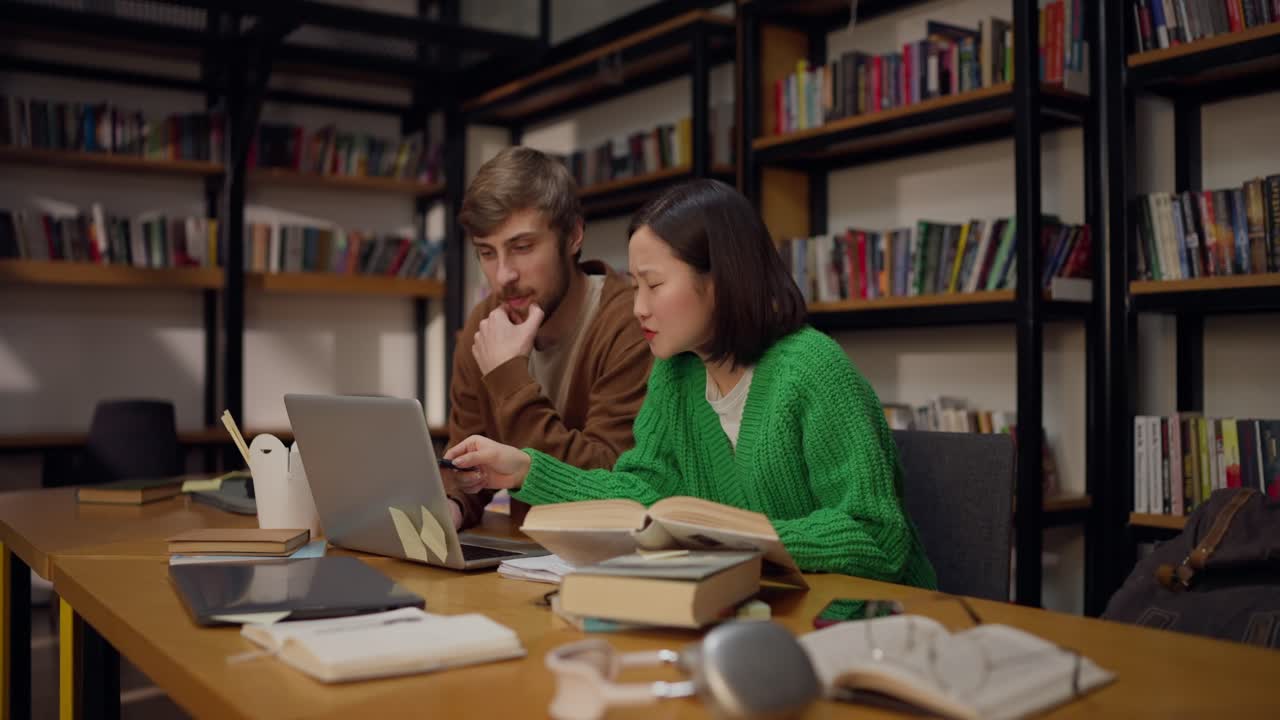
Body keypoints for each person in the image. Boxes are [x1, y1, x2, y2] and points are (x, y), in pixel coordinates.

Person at [445, 179, 937, 587]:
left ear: (720, 280)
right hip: (757, 610)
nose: (639, 306)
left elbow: (878, 537)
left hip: (865, 619)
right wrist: (527, 469)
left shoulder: (813, 370)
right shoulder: (676, 372)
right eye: (635, 285)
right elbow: (645, 489)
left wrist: (735, 537)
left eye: (654, 285)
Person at [444, 146, 652, 530]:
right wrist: (452, 505)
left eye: (522, 248)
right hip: (525, 557)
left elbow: (608, 478)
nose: (503, 275)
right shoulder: (484, 322)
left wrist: (509, 379)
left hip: (602, 557)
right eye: (487, 253)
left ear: (573, 235)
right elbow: (467, 466)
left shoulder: (631, 324)